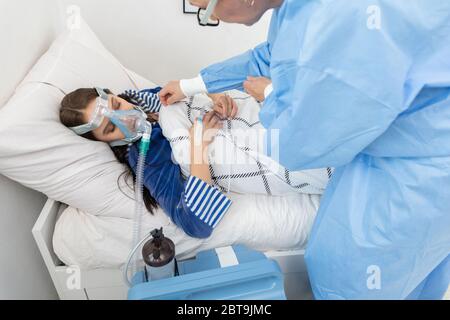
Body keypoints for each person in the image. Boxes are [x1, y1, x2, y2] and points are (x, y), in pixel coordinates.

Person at [160, 0, 450, 299]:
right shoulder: (298, 10)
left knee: (355, 280)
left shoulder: (347, 18)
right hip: (408, 148)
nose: (212, 18)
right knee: (414, 277)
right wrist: (191, 85)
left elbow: (311, 139)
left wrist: (270, 95)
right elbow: (272, 57)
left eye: (206, 9)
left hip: (418, 173)